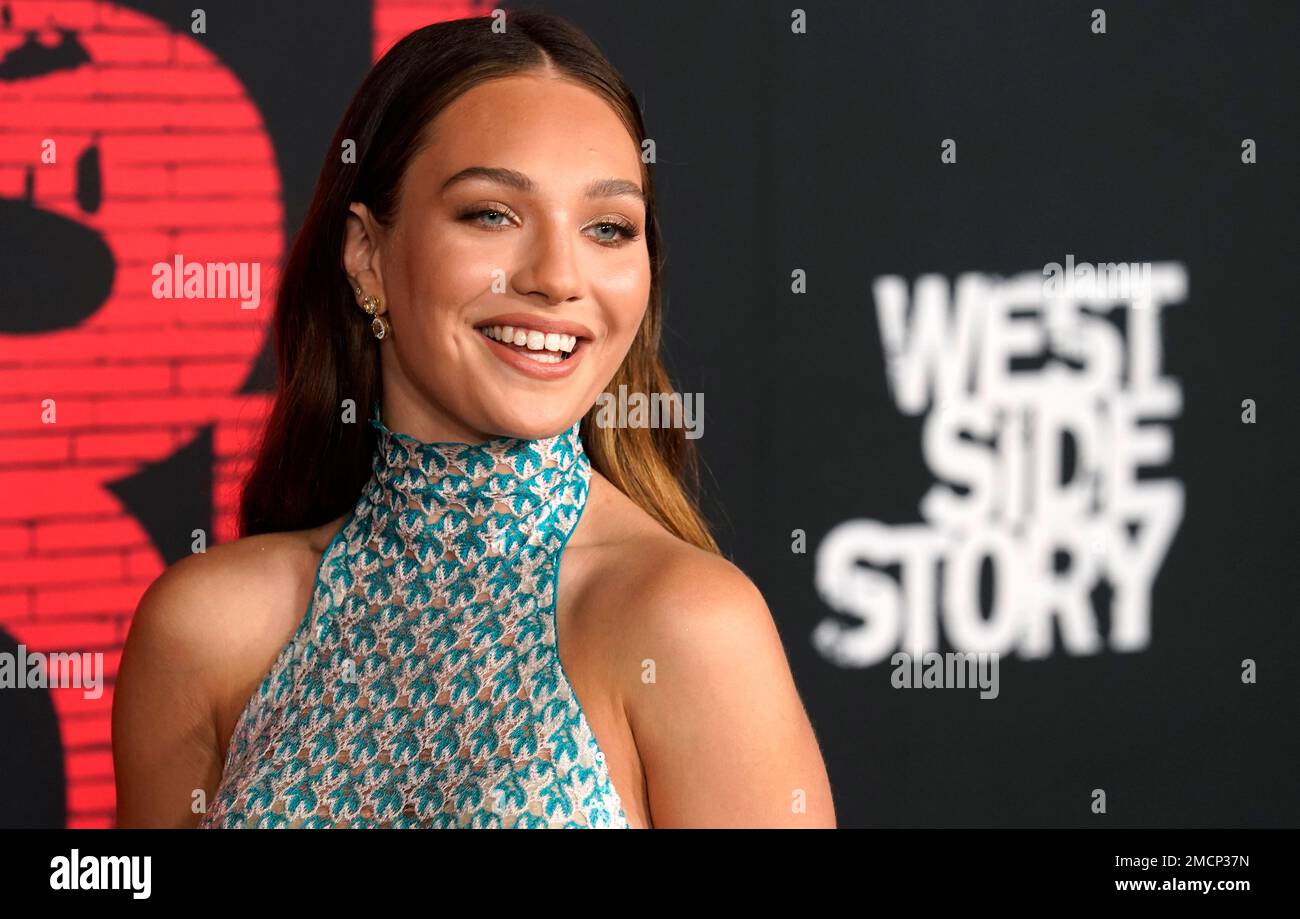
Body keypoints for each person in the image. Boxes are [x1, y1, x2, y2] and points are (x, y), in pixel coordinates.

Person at [113, 9, 834, 829]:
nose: (559, 278)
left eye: (608, 228)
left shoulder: (687, 625)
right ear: (366, 257)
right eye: (492, 213)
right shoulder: (204, 628)